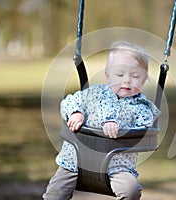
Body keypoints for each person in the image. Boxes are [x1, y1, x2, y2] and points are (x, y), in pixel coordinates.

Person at [43, 41, 161, 200]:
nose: (127, 80)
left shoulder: (143, 106)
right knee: (54, 194)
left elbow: (143, 125)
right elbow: (69, 101)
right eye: (120, 74)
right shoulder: (94, 93)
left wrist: (117, 124)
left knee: (131, 191)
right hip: (75, 162)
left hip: (117, 167)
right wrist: (76, 113)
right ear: (108, 75)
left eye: (135, 76)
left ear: (144, 79)